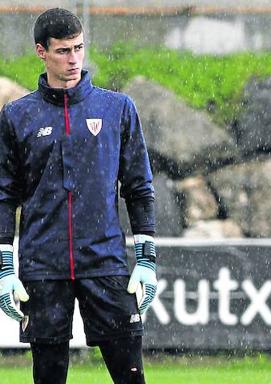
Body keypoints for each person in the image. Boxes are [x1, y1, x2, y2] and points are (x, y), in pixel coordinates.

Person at [0, 8, 157, 384]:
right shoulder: (17, 116)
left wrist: (146, 259)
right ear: (41, 51)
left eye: (79, 48)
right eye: (63, 51)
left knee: (130, 375)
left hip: (105, 262)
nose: (73, 59)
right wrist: (6, 268)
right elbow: (4, 196)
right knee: (49, 377)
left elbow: (139, 188)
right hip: (43, 267)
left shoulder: (117, 108)